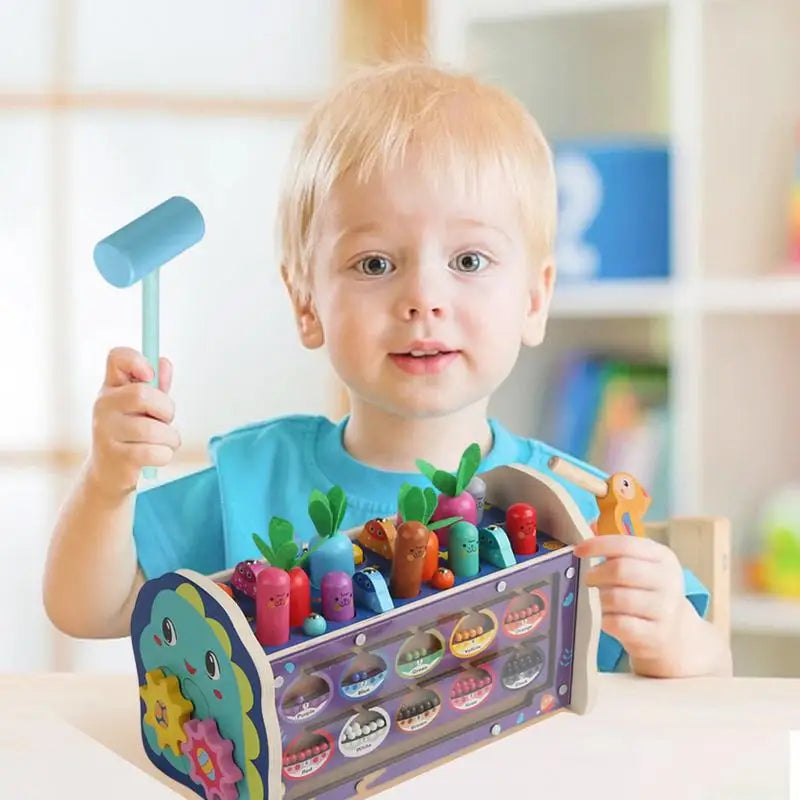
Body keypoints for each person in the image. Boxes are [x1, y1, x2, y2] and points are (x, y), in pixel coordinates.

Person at [43, 60, 731, 678]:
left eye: (468, 261)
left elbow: (712, 683)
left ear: (534, 298)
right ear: (306, 303)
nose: (423, 299)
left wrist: (673, 638)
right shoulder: (252, 478)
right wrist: (109, 482)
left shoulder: (571, 507)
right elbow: (86, 608)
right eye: (375, 264)